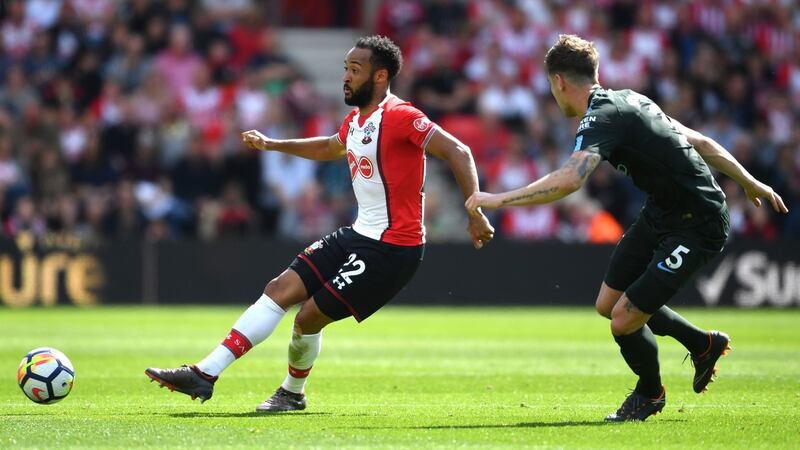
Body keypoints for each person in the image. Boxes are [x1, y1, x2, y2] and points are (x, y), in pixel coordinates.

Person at [145, 35, 494, 412]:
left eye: (354, 70)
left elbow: (459, 150)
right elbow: (330, 146)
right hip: (359, 234)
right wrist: (274, 144)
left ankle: (292, 393)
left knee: (307, 317)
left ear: (379, 77)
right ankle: (205, 373)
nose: (345, 76)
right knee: (279, 289)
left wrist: (474, 211)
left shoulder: (402, 117)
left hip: (394, 249)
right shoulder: (358, 120)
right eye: (345, 68)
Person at [466, 34, 788, 422]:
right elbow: (699, 141)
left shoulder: (602, 116)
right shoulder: (631, 99)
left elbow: (570, 180)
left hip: (698, 222)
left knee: (624, 318)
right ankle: (702, 344)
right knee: (608, 305)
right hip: (662, 212)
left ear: (559, 82)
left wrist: (497, 198)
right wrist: (748, 180)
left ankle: (650, 394)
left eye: (552, 88)